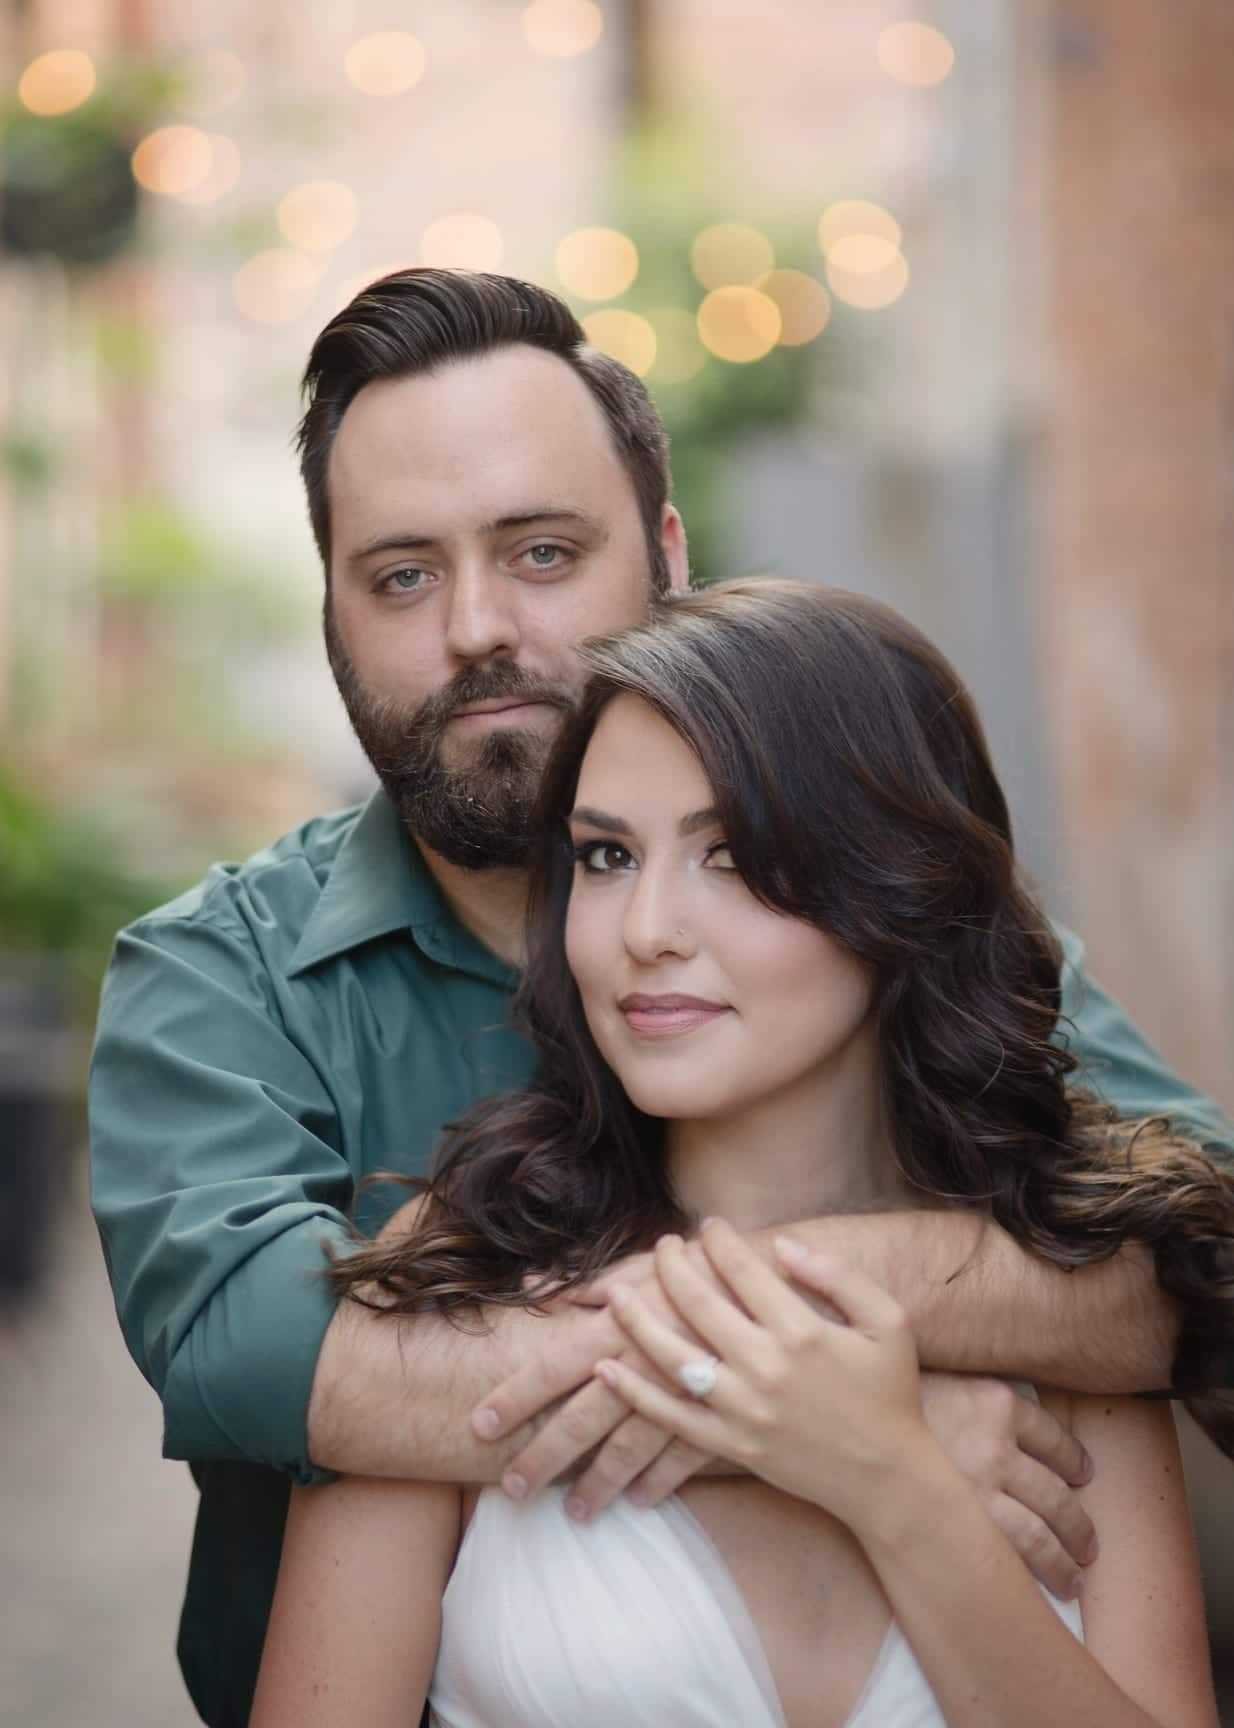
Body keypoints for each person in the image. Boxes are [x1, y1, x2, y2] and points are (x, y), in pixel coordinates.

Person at [88, 270, 1233, 1728]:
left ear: (666, 555)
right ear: (329, 614)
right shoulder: (216, 974)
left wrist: (831, 1387)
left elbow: (1189, 1270)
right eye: (399, 575)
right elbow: (271, 1355)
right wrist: (823, 1412)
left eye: (544, 550)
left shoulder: (915, 937)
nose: (475, 629)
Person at [252, 578, 1228, 1727]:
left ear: (898, 886)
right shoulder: (463, 1272)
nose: (646, 929)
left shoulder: (1068, 1298)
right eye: (607, 857)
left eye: (730, 855)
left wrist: (892, 1485)